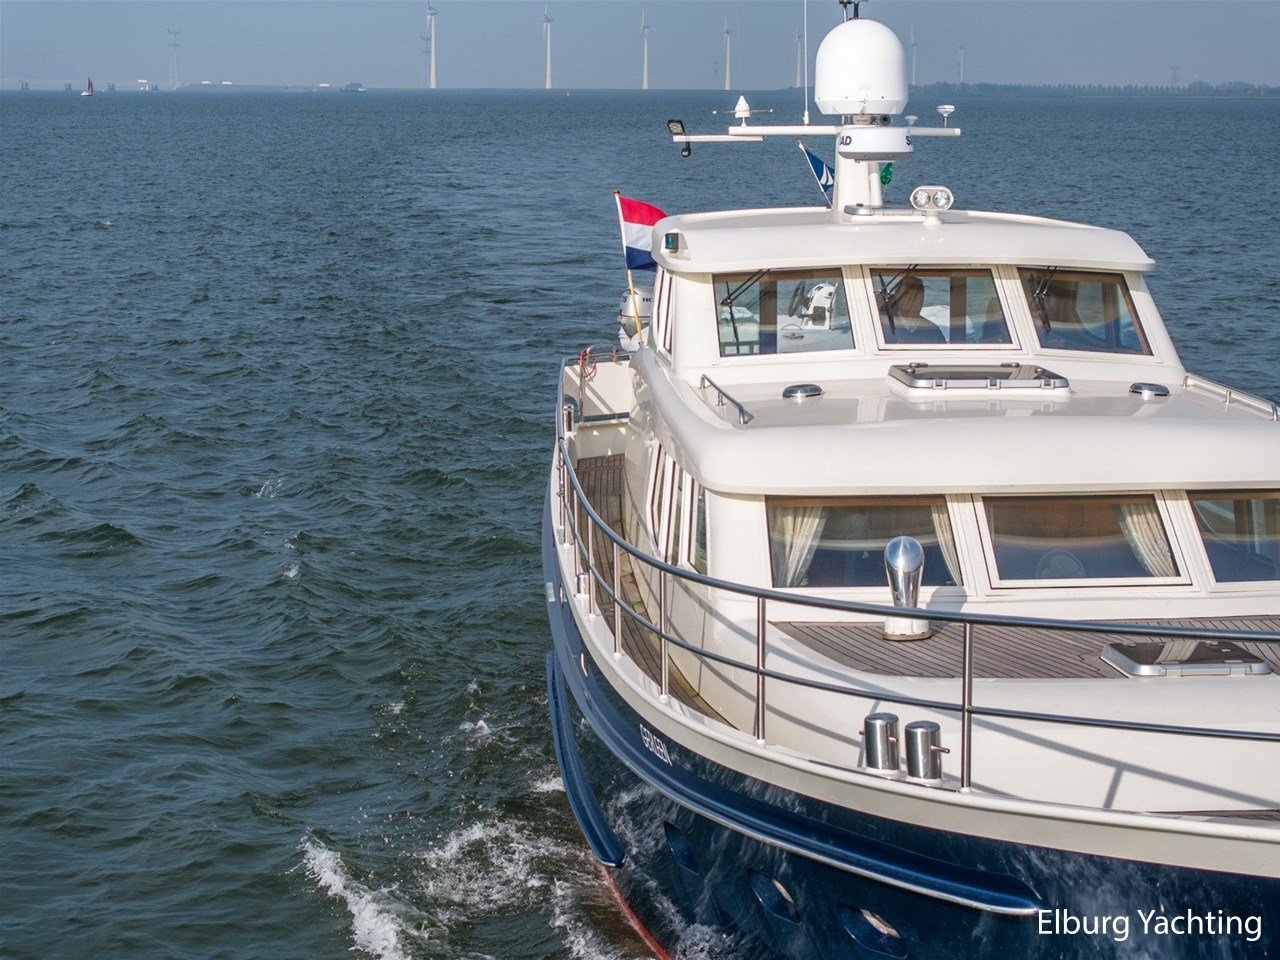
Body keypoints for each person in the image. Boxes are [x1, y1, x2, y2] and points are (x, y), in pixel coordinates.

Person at [884, 277, 945, 343]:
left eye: (918, 296)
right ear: (897, 298)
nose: (913, 301)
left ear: (923, 300)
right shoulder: (883, 326)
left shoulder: (933, 331)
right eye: (908, 296)